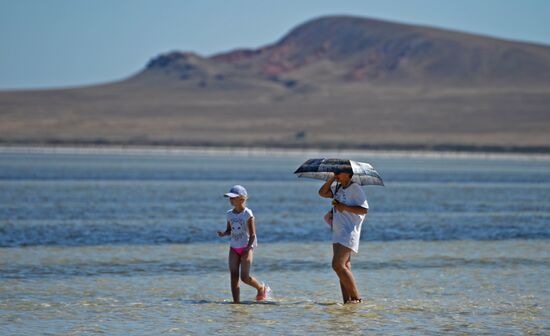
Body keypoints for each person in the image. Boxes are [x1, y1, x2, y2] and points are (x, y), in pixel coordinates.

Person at [318, 168, 369, 304]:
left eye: (339, 173)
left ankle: (357, 299)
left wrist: (344, 207)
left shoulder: (355, 188)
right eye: (335, 173)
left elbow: (364, 210)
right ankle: (347, 301)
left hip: (349, 231)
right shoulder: (338, 188)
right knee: (344, 266)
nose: (337, 175)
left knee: (337, 265)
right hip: (337, 231)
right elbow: (322, 193)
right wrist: (332, 179)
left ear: (348, 174)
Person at [217, 185, 270, 303]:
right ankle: (236, 303)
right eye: (229, 198)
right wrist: (224, 234)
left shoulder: (247, 213)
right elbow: (230, 230)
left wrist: (248, 247)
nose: (230, 200)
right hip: (234, 248)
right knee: (233, 275)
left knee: (244, 277)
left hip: (247, 247)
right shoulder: (229, 214)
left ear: (241, 199)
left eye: (233, 197)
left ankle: (260, 288)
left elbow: (253, 235)